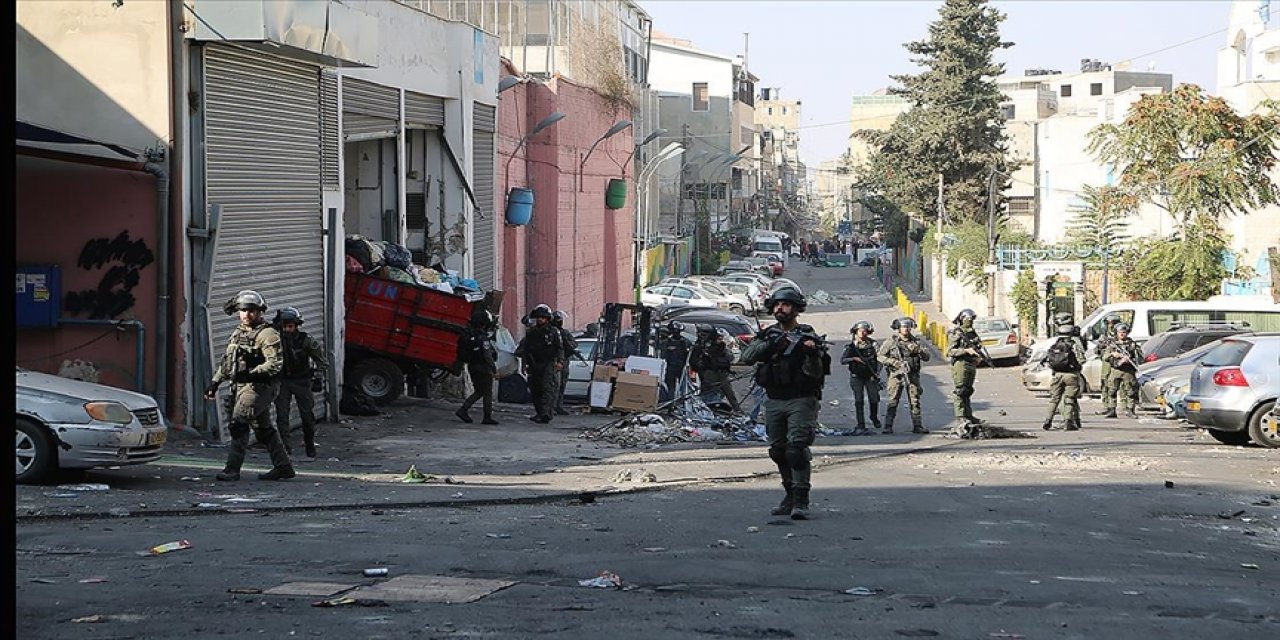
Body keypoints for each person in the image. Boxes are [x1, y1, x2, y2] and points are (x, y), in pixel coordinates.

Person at [741, 287, 830, 520]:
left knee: (796, 449)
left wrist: (811, 353)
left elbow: (817, 372)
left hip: (801, 399)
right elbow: (746, 357)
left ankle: (801, 500)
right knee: (778, 451)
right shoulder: (768, 335)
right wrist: (772, 345)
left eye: (786, 305)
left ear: (796, 309)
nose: (780, 308)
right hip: (774, 399)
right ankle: (789, 495)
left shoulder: (806, 334)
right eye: (777, 305)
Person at [204, 290, 294, 481]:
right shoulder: (239, 332)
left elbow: (275, 363)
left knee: (239, 424)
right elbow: (228, 362)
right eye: (243, 310)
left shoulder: (268, 334)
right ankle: (283, 466)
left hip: (260, 387)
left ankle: (232, 469)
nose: (247, 314)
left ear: (260, 312)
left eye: (251, 310)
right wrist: (215, 382)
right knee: (263, 430)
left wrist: (252, 372)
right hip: (242, 386)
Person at [271, 306, 328, 459]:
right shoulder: (274, 341)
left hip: (301, 381)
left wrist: (318, 377)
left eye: (290, 326)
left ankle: (309, 444)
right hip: (282, 382)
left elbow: (322, 361)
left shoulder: (305, 340)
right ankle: (285, 450)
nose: (287, 330)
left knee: (307, 416)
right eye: (284, 327)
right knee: (282, 417)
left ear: (296, 326)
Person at [878, 316, 931, 434]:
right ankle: (888, 426)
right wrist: (894, 362)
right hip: (896, 375)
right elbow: (880, 356)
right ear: (898, 328)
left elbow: (927, 357)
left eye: (908, 327)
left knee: (915, 401)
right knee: (893, 400)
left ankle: (917, 425)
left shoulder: (916, 342)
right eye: (903, 327)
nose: (906, 329)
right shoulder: (891, 342)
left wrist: (918, 350)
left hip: (912, 375)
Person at [515, 304, 560, 423]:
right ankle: (540, 412)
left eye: (543, 317)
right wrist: (524, 364)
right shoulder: (531, 332)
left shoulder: (553, 332)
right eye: (539, 317)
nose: (540, 319)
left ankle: (545, 413)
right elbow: (526, 349)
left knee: (547, 388)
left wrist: (560, 361)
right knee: (535, 389)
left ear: (547, 319)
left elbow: (559, 348)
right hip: (534, 363)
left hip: (548, 363)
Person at [455, 308, 499, 425]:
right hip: (483, 367)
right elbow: (487, 355)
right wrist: (494, 369)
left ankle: (463, 409)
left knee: (480, 391)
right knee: (487, 392)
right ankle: (486, 416)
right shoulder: (483, 337)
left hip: (472, 366)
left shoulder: (469, 335)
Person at [1042, 322, 1087, 431]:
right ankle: (1068, 421)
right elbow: (1082, 359)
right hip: (1071, 375)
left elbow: (1048, 359)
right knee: (1070, 399)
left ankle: (1048, 420)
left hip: (1057, 375)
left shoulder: (1055, 345)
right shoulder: (1074, 345)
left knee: (1054, 399)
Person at [946, 308, 986, 430]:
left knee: (968, 391)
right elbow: (950, 351)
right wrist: (966, 351)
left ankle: (969, 415)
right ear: (962, 319)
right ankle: (960, 417)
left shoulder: (972, 333)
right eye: (969, 319)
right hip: (960, 364)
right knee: (960, 391)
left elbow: (978, 346)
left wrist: (978, 357)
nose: (971, 321)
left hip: (971, 364)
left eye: (972, 319)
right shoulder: (956, 333)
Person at [840, 321, 881, 435]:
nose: (863, 333)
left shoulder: (873, 345)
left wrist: (877, 373)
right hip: (856, 376)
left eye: (865, 331)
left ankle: (874, 417)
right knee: (859, 400)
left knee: (874, 399)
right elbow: (843, 360)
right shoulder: (852, 346)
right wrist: (854, 359)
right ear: (856, 332)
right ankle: (861, 423)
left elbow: (880, 359)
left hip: (870, 376)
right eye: (860, 331)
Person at [690, 325, 740, 412]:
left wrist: (723, 347)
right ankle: (708, 409)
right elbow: (695, 361)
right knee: (710, 394)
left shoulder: (721, 346)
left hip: (721, 373)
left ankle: (737, 410)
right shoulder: (702, 347)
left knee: (729, 393)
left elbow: (730, 358)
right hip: (710, 373)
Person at [1104, 322, 1144, 418]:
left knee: (1131, 391)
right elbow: (1105, 357)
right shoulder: (1112, 344)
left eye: (1124, 332)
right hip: (1116, 370)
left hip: (1128, 371)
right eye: (1120, 332)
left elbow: (1140, 358)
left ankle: (1130, 409)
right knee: (1112, 390)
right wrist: (1114, 355)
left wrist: (1130, 358)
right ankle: (1112, 410)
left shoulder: (1132, 344)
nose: (1122, 334)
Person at [551, 310, 580, 416]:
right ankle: (551, 407)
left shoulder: (565, 333)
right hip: (554, 362)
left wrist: (566, 343)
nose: (559, 322)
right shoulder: (550, 332)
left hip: (564, 361)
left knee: (562, 384)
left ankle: (558, 406)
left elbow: (574, 344)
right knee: (554, 385)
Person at [659, 321, 691, 403]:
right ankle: (670, 402)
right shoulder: (666, 342)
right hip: (671, 366)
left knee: (683, 386)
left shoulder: (685, 342)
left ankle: (684, 401)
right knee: (670, 386)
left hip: (682, 367)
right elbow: (663, 355)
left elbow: (689, 355)